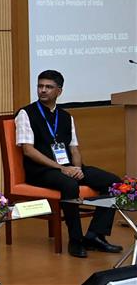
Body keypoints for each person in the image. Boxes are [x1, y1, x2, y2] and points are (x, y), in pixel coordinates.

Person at [16, 69, 122, 258]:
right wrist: (62, 168)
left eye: (48, 87)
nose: (43, 90)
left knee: (113, 182)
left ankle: (95, 235)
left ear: (59, 91)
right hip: (42, 171)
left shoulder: (66, 116)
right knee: (69, 185)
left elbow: (74, 149)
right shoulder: (26, 113)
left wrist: (78, 169)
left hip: (68, 167)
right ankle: (76, 240)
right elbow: (28, 150)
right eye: (40, 86)